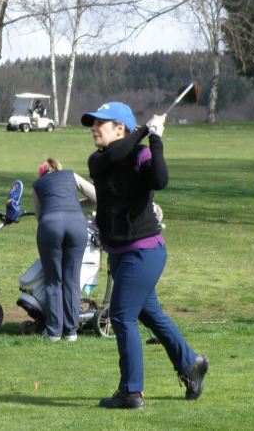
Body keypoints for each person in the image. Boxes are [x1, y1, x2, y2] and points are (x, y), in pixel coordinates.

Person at [81, 102, 208, 409]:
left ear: (120, 128)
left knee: (122, 317)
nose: (94, 128)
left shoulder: (141, 155)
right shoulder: (99, 160)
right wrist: (143, 130)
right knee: (149, 314)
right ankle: (191, 363)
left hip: (144, 252)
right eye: (93, 123)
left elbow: (160, 180)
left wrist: (156, 139)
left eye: (102, 123)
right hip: (122, 254)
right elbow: (115, 155)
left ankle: (131, 391)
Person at [32, 157, 96, 342]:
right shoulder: (71, 176)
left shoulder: (38, 185)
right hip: (77, 224)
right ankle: (71, 332)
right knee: (72, 280)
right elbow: (96, 196)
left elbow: (39, 215)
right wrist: (75, 203)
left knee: (53, 281)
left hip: (51, 225)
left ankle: (53, 332)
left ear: (42, 172)